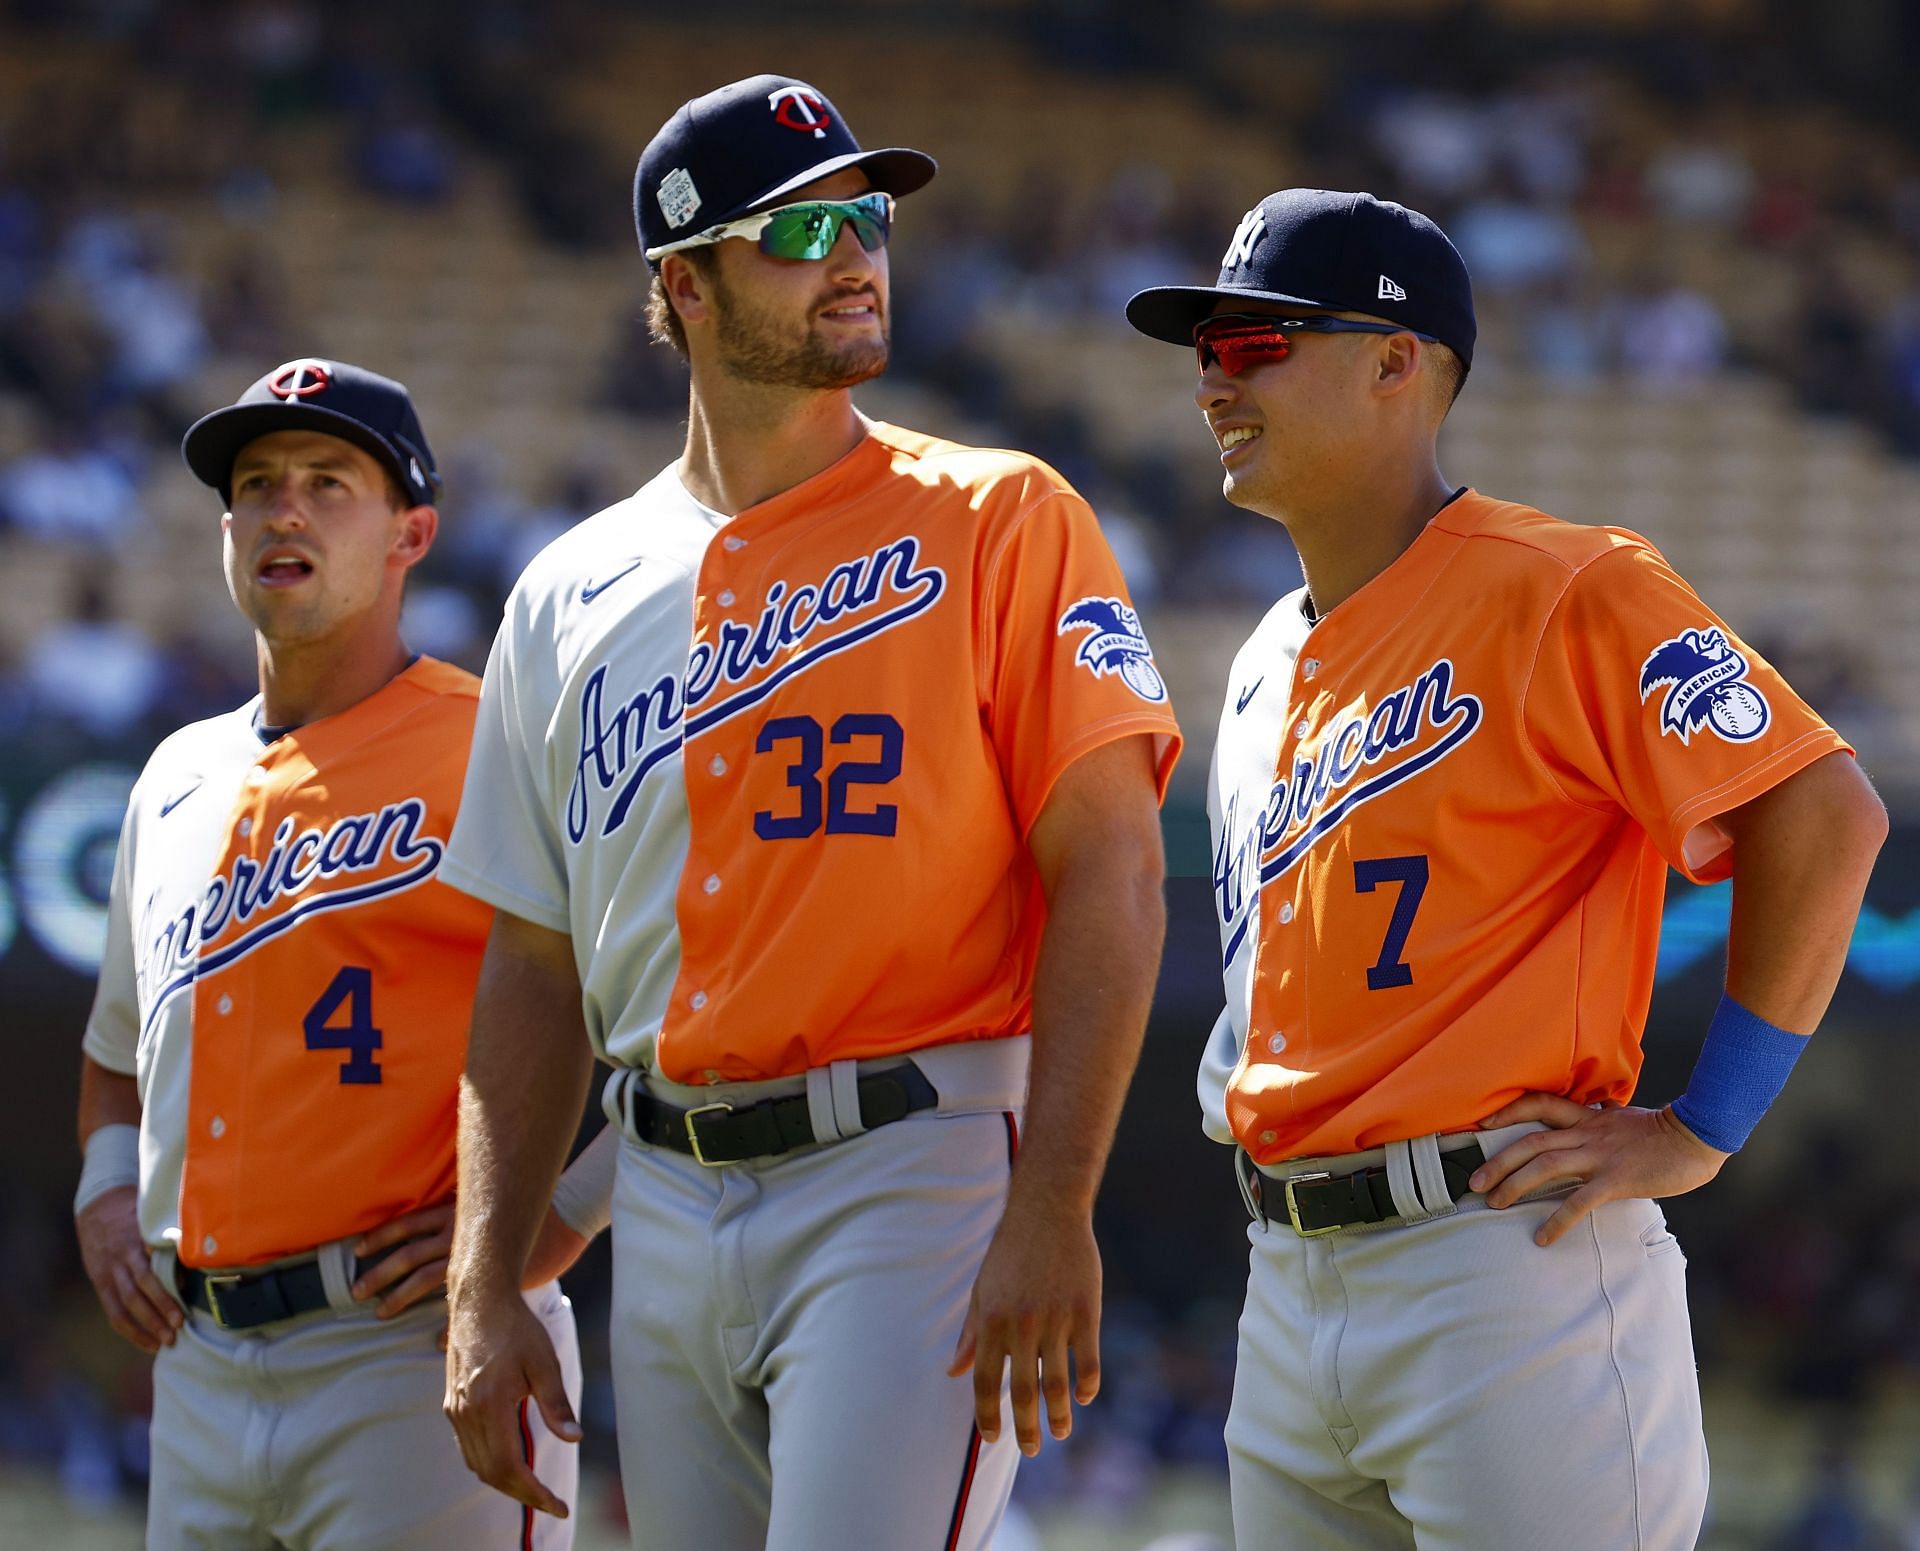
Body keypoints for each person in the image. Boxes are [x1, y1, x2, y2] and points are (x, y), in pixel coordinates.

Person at [439, 75, 1183, 1551]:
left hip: (910, 1169)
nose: (855, 254)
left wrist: (1056, 1202)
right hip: (658, 1190)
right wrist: (489, 1278)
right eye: (799, 230)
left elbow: (1114, 871)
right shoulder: (565, 588)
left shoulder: (1001, 513)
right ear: (686, 283)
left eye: (870, 217)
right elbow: (533, 964)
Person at [1124, 189, 1887, 1550]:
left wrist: (1705, 1125)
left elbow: (1826, 812)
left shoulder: (1564, 583)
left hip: (1501, 1256)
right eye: (1207, 348)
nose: (1213, 376)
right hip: (1288, 1280)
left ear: (1395, 361)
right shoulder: (1252, 665)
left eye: (1258, 344)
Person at [75, 358, 610, 1550]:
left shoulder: (501, 741)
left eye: (330, 481)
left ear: (412, 532)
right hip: (199, 1365)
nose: (287, 509)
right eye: (258, 485)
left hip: (411, 1352)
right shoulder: (171, 779)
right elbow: (116, 1054)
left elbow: (683, 1005)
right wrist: (106, 1194)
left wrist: (555, 1219)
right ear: (226, 532)